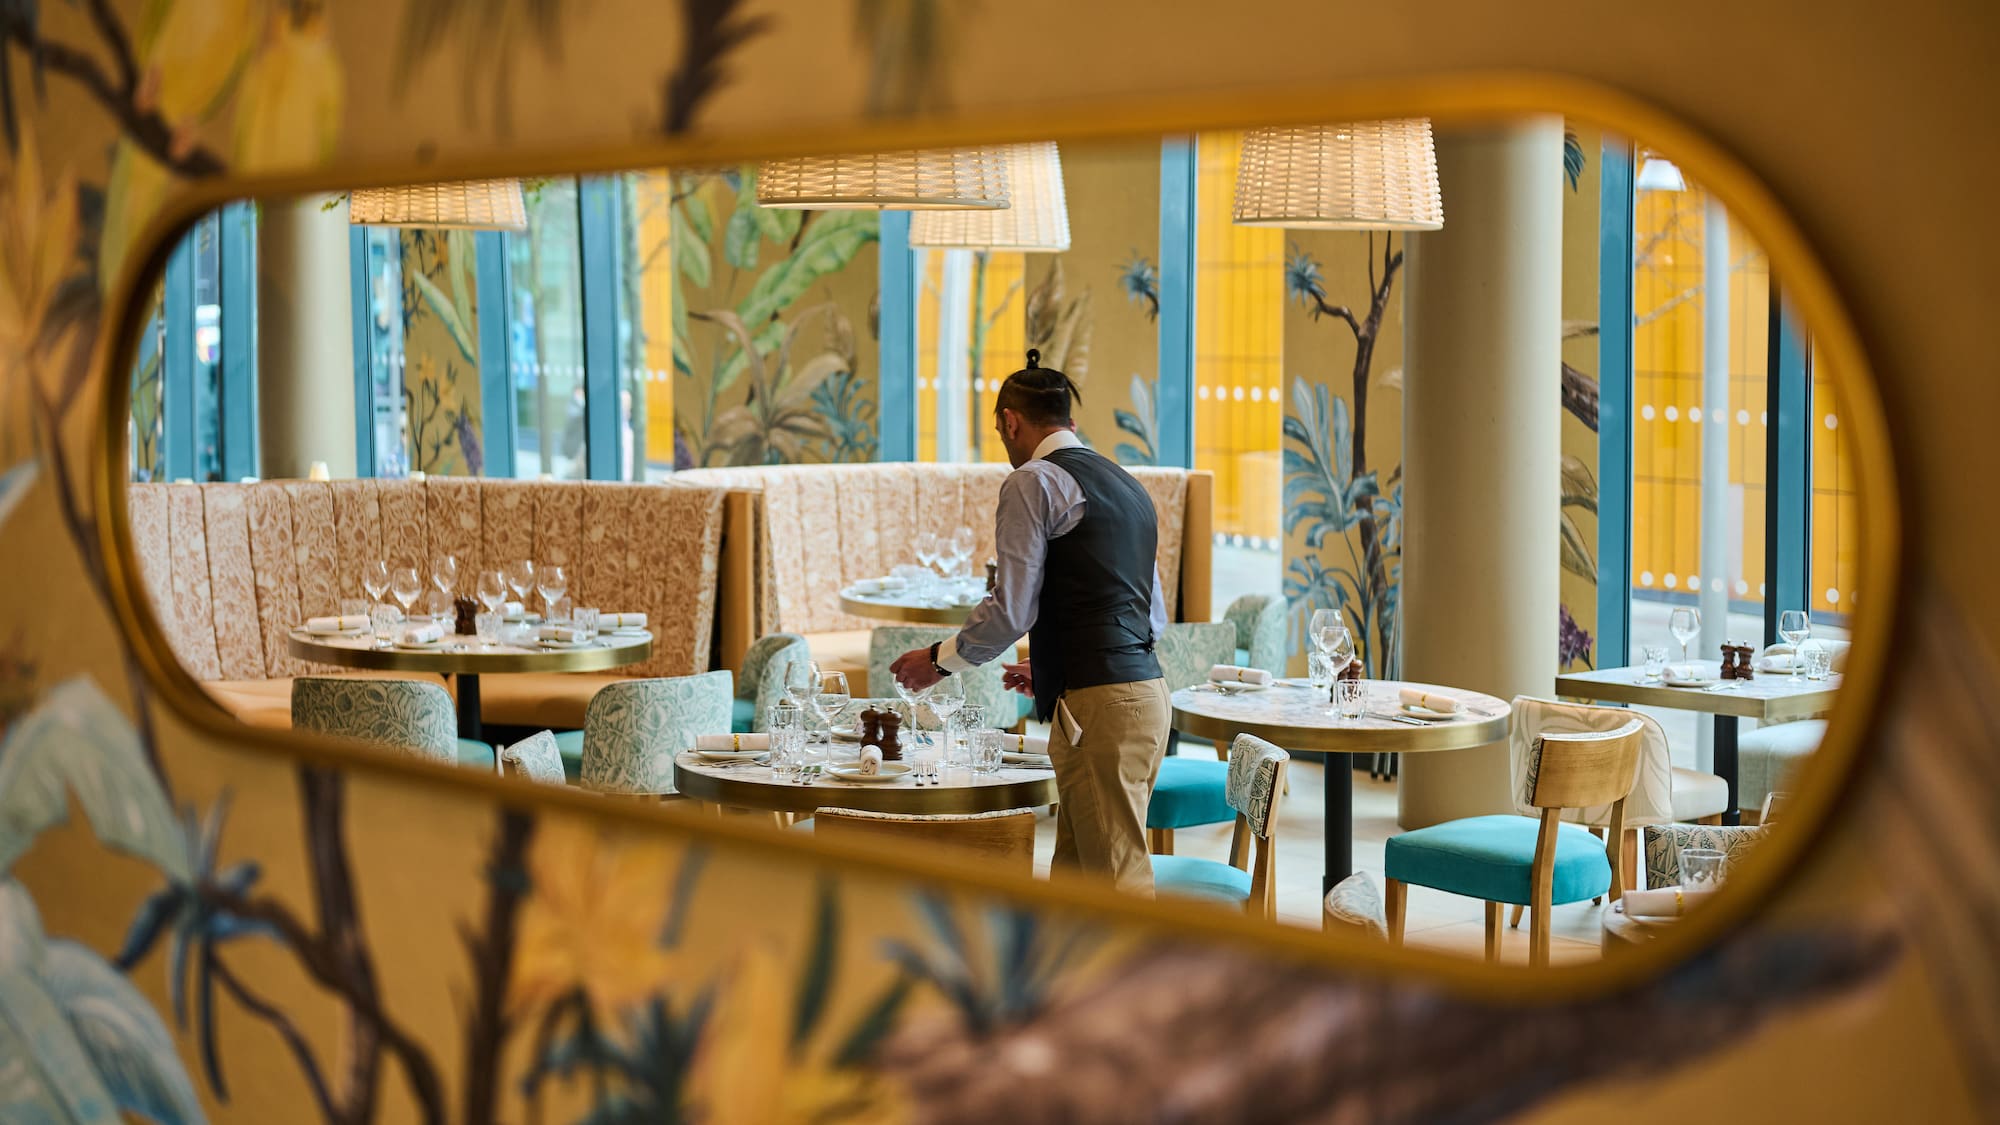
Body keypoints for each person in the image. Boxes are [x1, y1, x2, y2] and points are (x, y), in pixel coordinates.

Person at [891, 350, 1170, 894]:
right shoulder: (1127, 484)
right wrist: (1057, 666)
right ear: (1071, 420)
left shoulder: (1032, 482)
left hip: (1099, 707)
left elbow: (1013, 609)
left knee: (1118, 885)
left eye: (1001, 434)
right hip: (1145, 698)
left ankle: (1152, 983)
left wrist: (937, 662)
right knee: (1075, 882)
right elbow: (1149, 616)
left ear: (1009, 421)